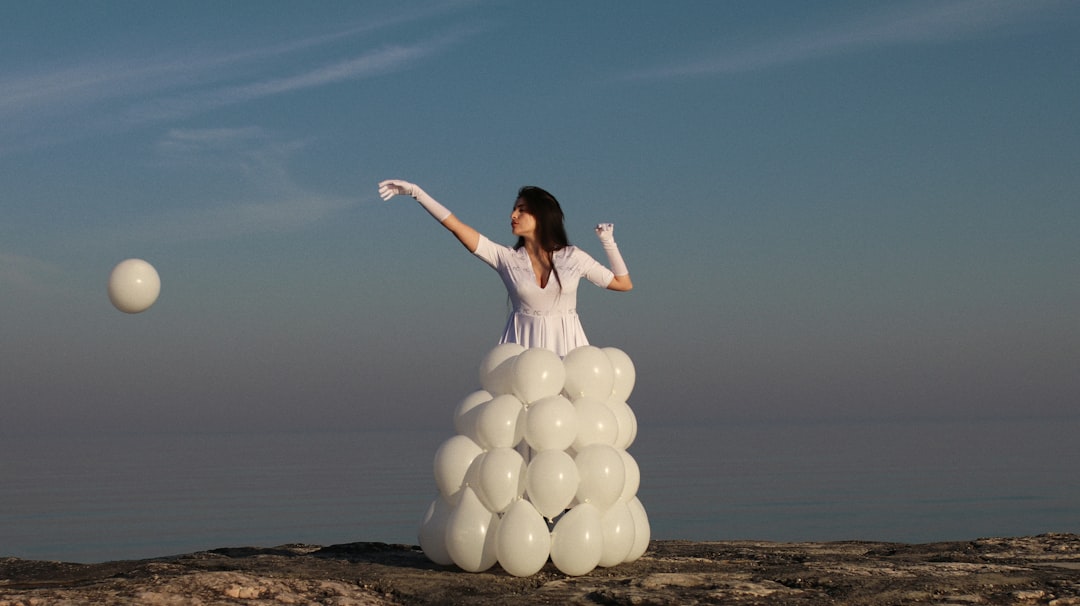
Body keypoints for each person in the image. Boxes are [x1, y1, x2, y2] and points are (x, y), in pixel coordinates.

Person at [378, 180, 632, 357]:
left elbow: (623, 283)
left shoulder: (572, 256)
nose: (513, 215)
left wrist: (608, 241)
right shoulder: (506, 258)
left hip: (568, 349)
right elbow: (455, 226)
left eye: (522, 210)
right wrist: (417, 193)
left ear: (541, 216)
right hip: (521, 352)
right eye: (514, 209)